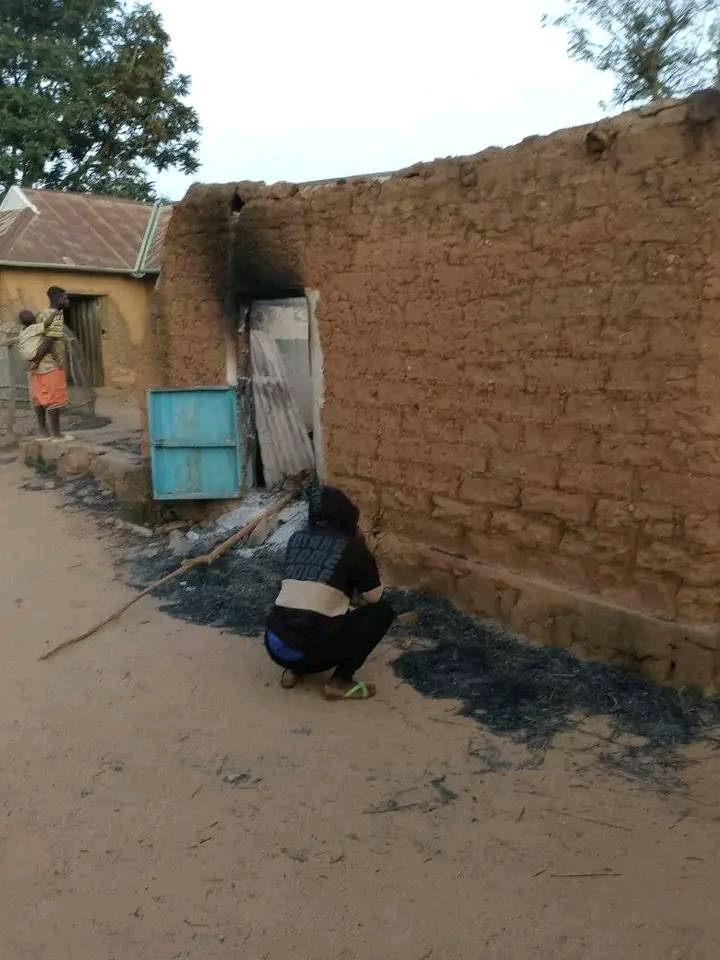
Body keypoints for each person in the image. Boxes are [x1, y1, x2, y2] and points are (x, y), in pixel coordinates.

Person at [265, 485, 395, 701]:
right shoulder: (353, 547)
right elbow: (374, 597)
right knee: (382, 613)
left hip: (274, 645)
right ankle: (340, 681)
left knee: (302, 607)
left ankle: (295, 669)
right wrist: (365, 557)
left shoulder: (296, 539)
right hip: (313, 652)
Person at [27, 287, 71, 440]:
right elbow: (49, 341)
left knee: (39, 397)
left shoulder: (41, 314)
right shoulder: (56, 316)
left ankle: (43, 432)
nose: (67, 301)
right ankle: (57, 434)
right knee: (54, 399)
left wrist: (34, 361)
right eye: (65, 298)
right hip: (50, 364)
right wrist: (40, 360)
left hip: (37, 365)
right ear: (58, 299)